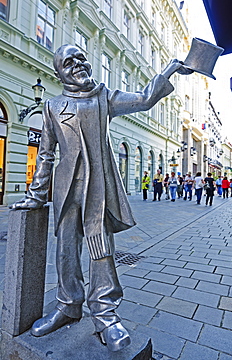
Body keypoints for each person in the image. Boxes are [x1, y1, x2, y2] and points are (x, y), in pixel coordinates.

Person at [9, 44, 192, 350]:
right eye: (69, 62)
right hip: (66, 189)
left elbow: (145, 99)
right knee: (65, 250)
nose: (78, 64)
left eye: (81, 58)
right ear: (58, 73)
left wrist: (169, 70)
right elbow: (45, 156)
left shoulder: (104, 97)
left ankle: (105, 314)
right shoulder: (52, 107)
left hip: (97, 188)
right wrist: (37, 196)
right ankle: (67, 306)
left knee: (101, 250)